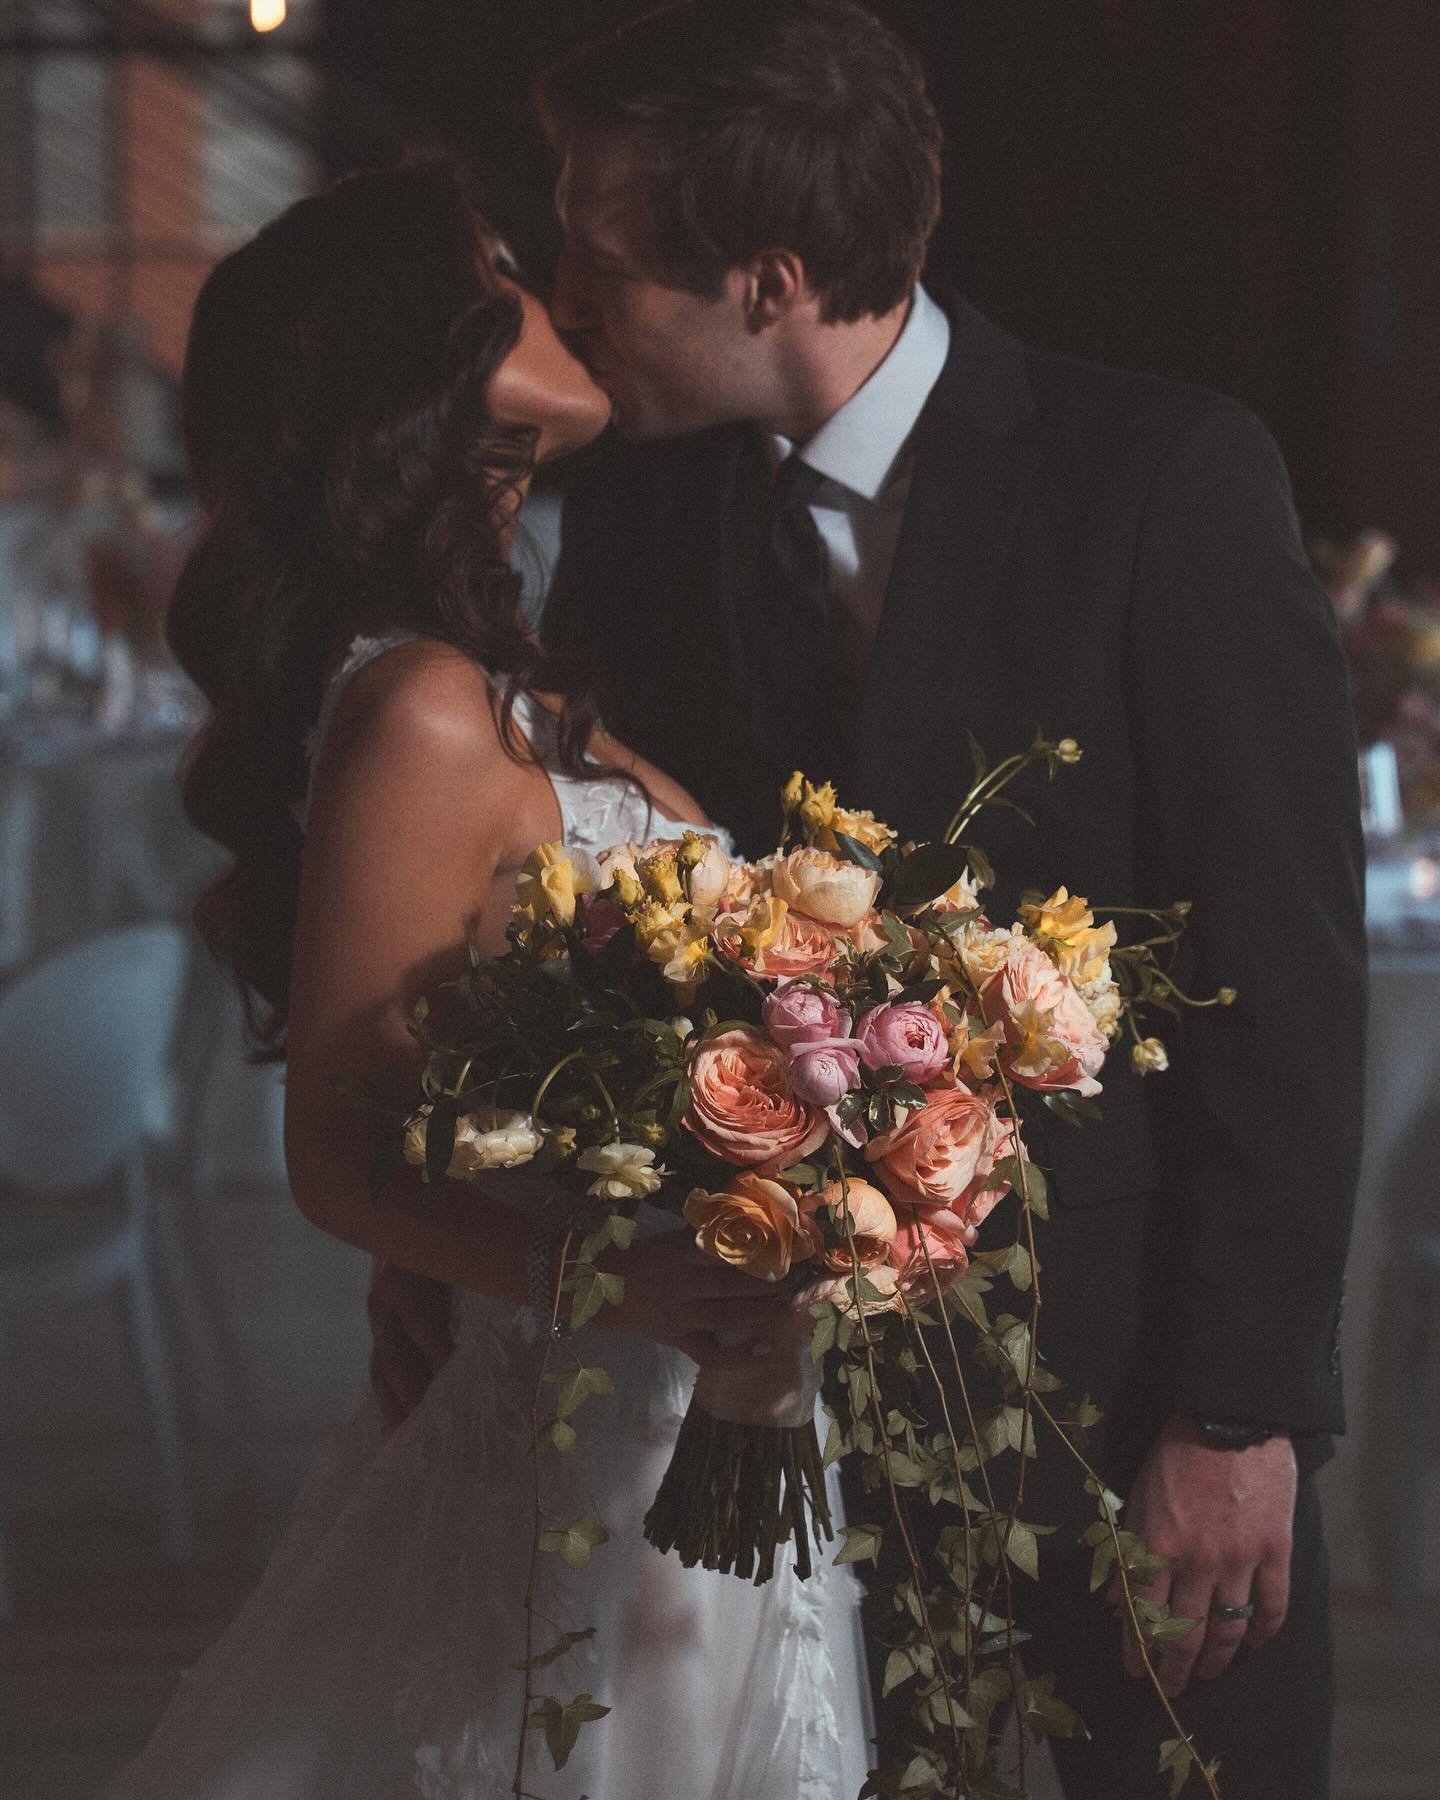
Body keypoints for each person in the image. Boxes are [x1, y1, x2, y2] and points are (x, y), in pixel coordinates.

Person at [364, 3, 1366, 1794]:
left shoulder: (1159, 478)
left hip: (1125, 1369)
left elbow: (1289, 981)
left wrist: (1240, 1416)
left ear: (768, 278)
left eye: (600, 256)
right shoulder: (647, 519)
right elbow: (609, 912)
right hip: (782, 1397)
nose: (574, 301)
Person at [107, 159, 873, 1800]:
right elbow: (338, 1154)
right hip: (591, 1411)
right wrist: (630, 1280)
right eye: (508, 268)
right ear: (423, 352)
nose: (561, 289)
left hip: (686, 1397)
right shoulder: (420, 710)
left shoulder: (492, 671)